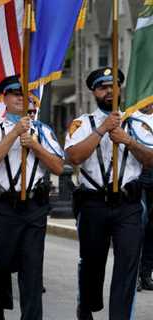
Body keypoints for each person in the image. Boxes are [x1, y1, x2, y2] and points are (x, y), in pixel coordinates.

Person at [65, 67, 153, 319]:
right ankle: (86, 306)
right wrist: (102, 129)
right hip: (94, 204)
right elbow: (75, 156)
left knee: (127, 265)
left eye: (113, 86)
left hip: (128, 205)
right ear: (93, 91)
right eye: (102, 87)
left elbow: (151, 160)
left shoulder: (138, 123)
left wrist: (129, 141)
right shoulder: (82, 123)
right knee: (91, 264)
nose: (109, 91)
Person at [0, 75, 64, 320]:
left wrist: (35, 145)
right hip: (5, 207)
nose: (20, 98)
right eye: (15, 93)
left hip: (34, 207)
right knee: (1, 264)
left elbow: (58, 167)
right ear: (4, 98)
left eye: (24, 94)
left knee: (32, 269)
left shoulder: (43, 130)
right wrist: (15, 132)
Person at [138, 104, 153, 291]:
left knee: (152, 228)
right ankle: (133, 275)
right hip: (138, 176)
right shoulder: (131, 115)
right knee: (139, 223)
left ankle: (146, 273)